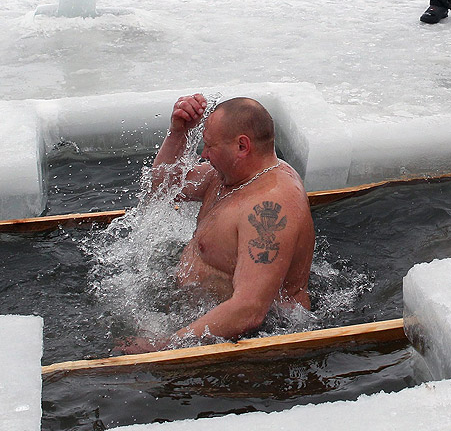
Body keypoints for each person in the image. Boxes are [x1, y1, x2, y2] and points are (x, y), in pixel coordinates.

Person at [122, 94, 315, 353]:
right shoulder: (225, 176)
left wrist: (165, 346)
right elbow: (162, 186)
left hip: (259, 340)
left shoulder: (270, 206)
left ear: (242, 146)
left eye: (209, 146)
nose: (204, 154)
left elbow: (250, 309)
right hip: (203, 318)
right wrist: (177, 133)